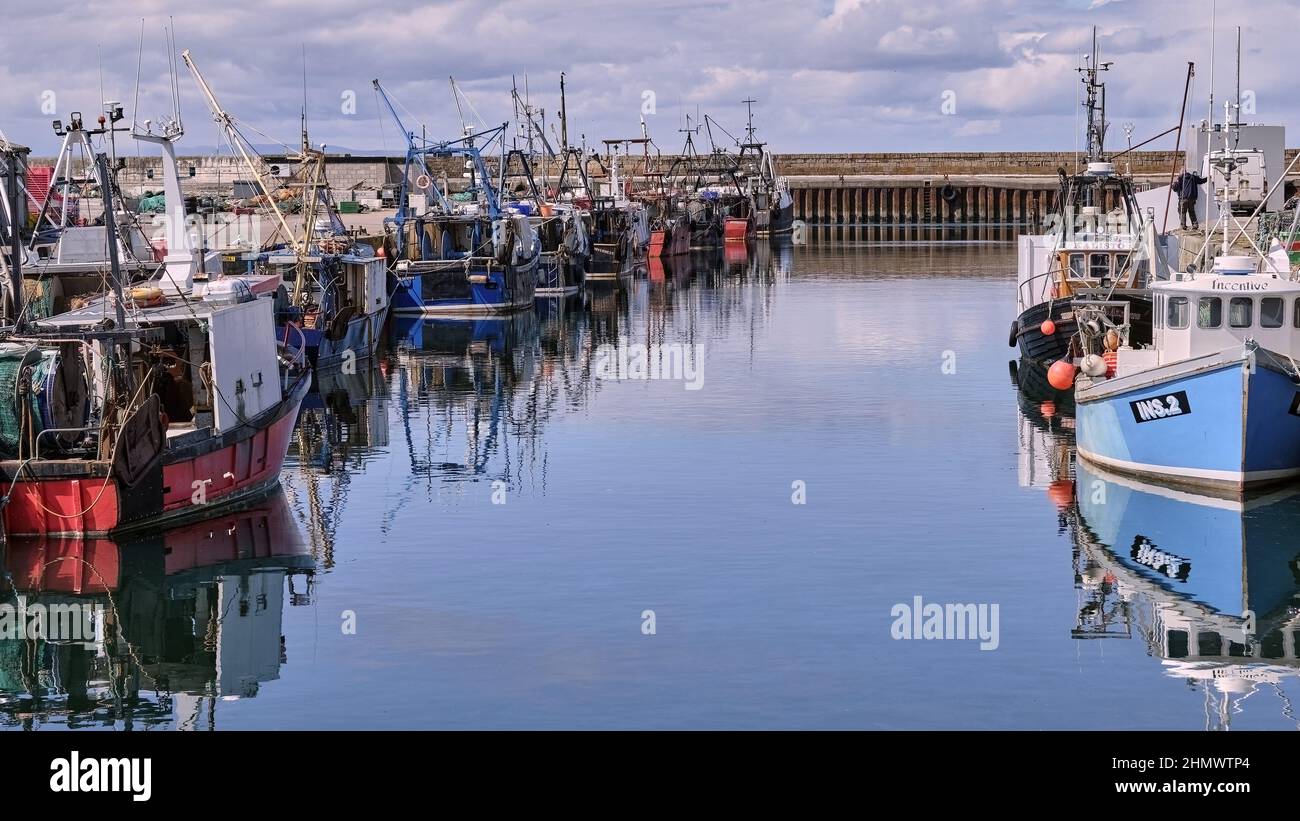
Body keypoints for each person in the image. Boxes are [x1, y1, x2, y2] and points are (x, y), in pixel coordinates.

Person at [1174, 164, 1208, 230]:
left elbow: (1175, 188)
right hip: (1192, 199)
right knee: (1192, 212)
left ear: (1181, 172)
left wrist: (1174, 183)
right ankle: (1195, 224)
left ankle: (1183, 225)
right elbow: (1201, 181)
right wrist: (1208, 178)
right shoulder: (1193, 177)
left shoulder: (1180, 178)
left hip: (1183, 198)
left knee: (1182, 212)